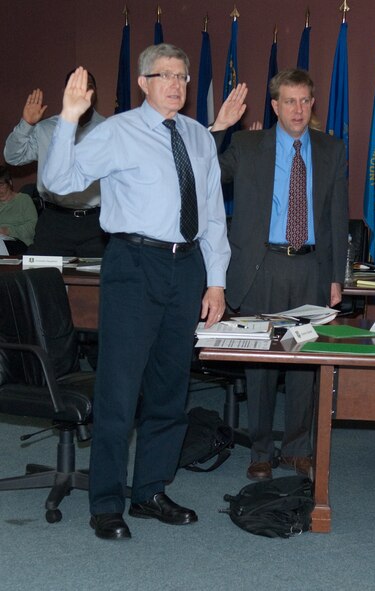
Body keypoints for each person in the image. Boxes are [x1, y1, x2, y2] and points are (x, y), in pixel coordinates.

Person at [42, 43, 230, 541]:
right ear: (144, 82)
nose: (175, 84)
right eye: (163, 75)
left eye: (182, 77)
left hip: (186, 267)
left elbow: (211, 214)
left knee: (170, 390)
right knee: (119, 392)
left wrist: (216, 280)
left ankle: (149, 491)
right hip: (134, 264)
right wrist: (68, 117)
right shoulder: (118, 131)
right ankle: (106, 503)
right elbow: (58, 180)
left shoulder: (198, 137)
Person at [212, 68, 348, 481]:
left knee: (304, 361)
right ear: (274, 106)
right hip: (261, 266)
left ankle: (295, 449)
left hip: (310, 265)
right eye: (289, 101)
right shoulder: (248, 144)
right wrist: (219, 129)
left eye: (305, 101)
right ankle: (259, 450)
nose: (298, 109)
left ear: (313, 104)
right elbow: (208, 172)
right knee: (261, 364)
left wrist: (336, 276)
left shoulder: (332, 149)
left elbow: (336, 218)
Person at [4, 71, 106, 257]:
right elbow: (13, 157)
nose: (83, 90)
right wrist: (27, 124)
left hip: (96, 224)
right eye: (76, 85)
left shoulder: (111, 130)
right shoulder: (46, 129)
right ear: (65, 92)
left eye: (88, 85)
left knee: (99, 282)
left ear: (95, 91)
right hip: (54, 221)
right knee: (38, 279)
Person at [0, 164, 37, 255]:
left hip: (18, 241)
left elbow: (32, 228)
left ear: (10, 183)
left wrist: (7, 231)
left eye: (0, 185)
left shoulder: (23, 200)